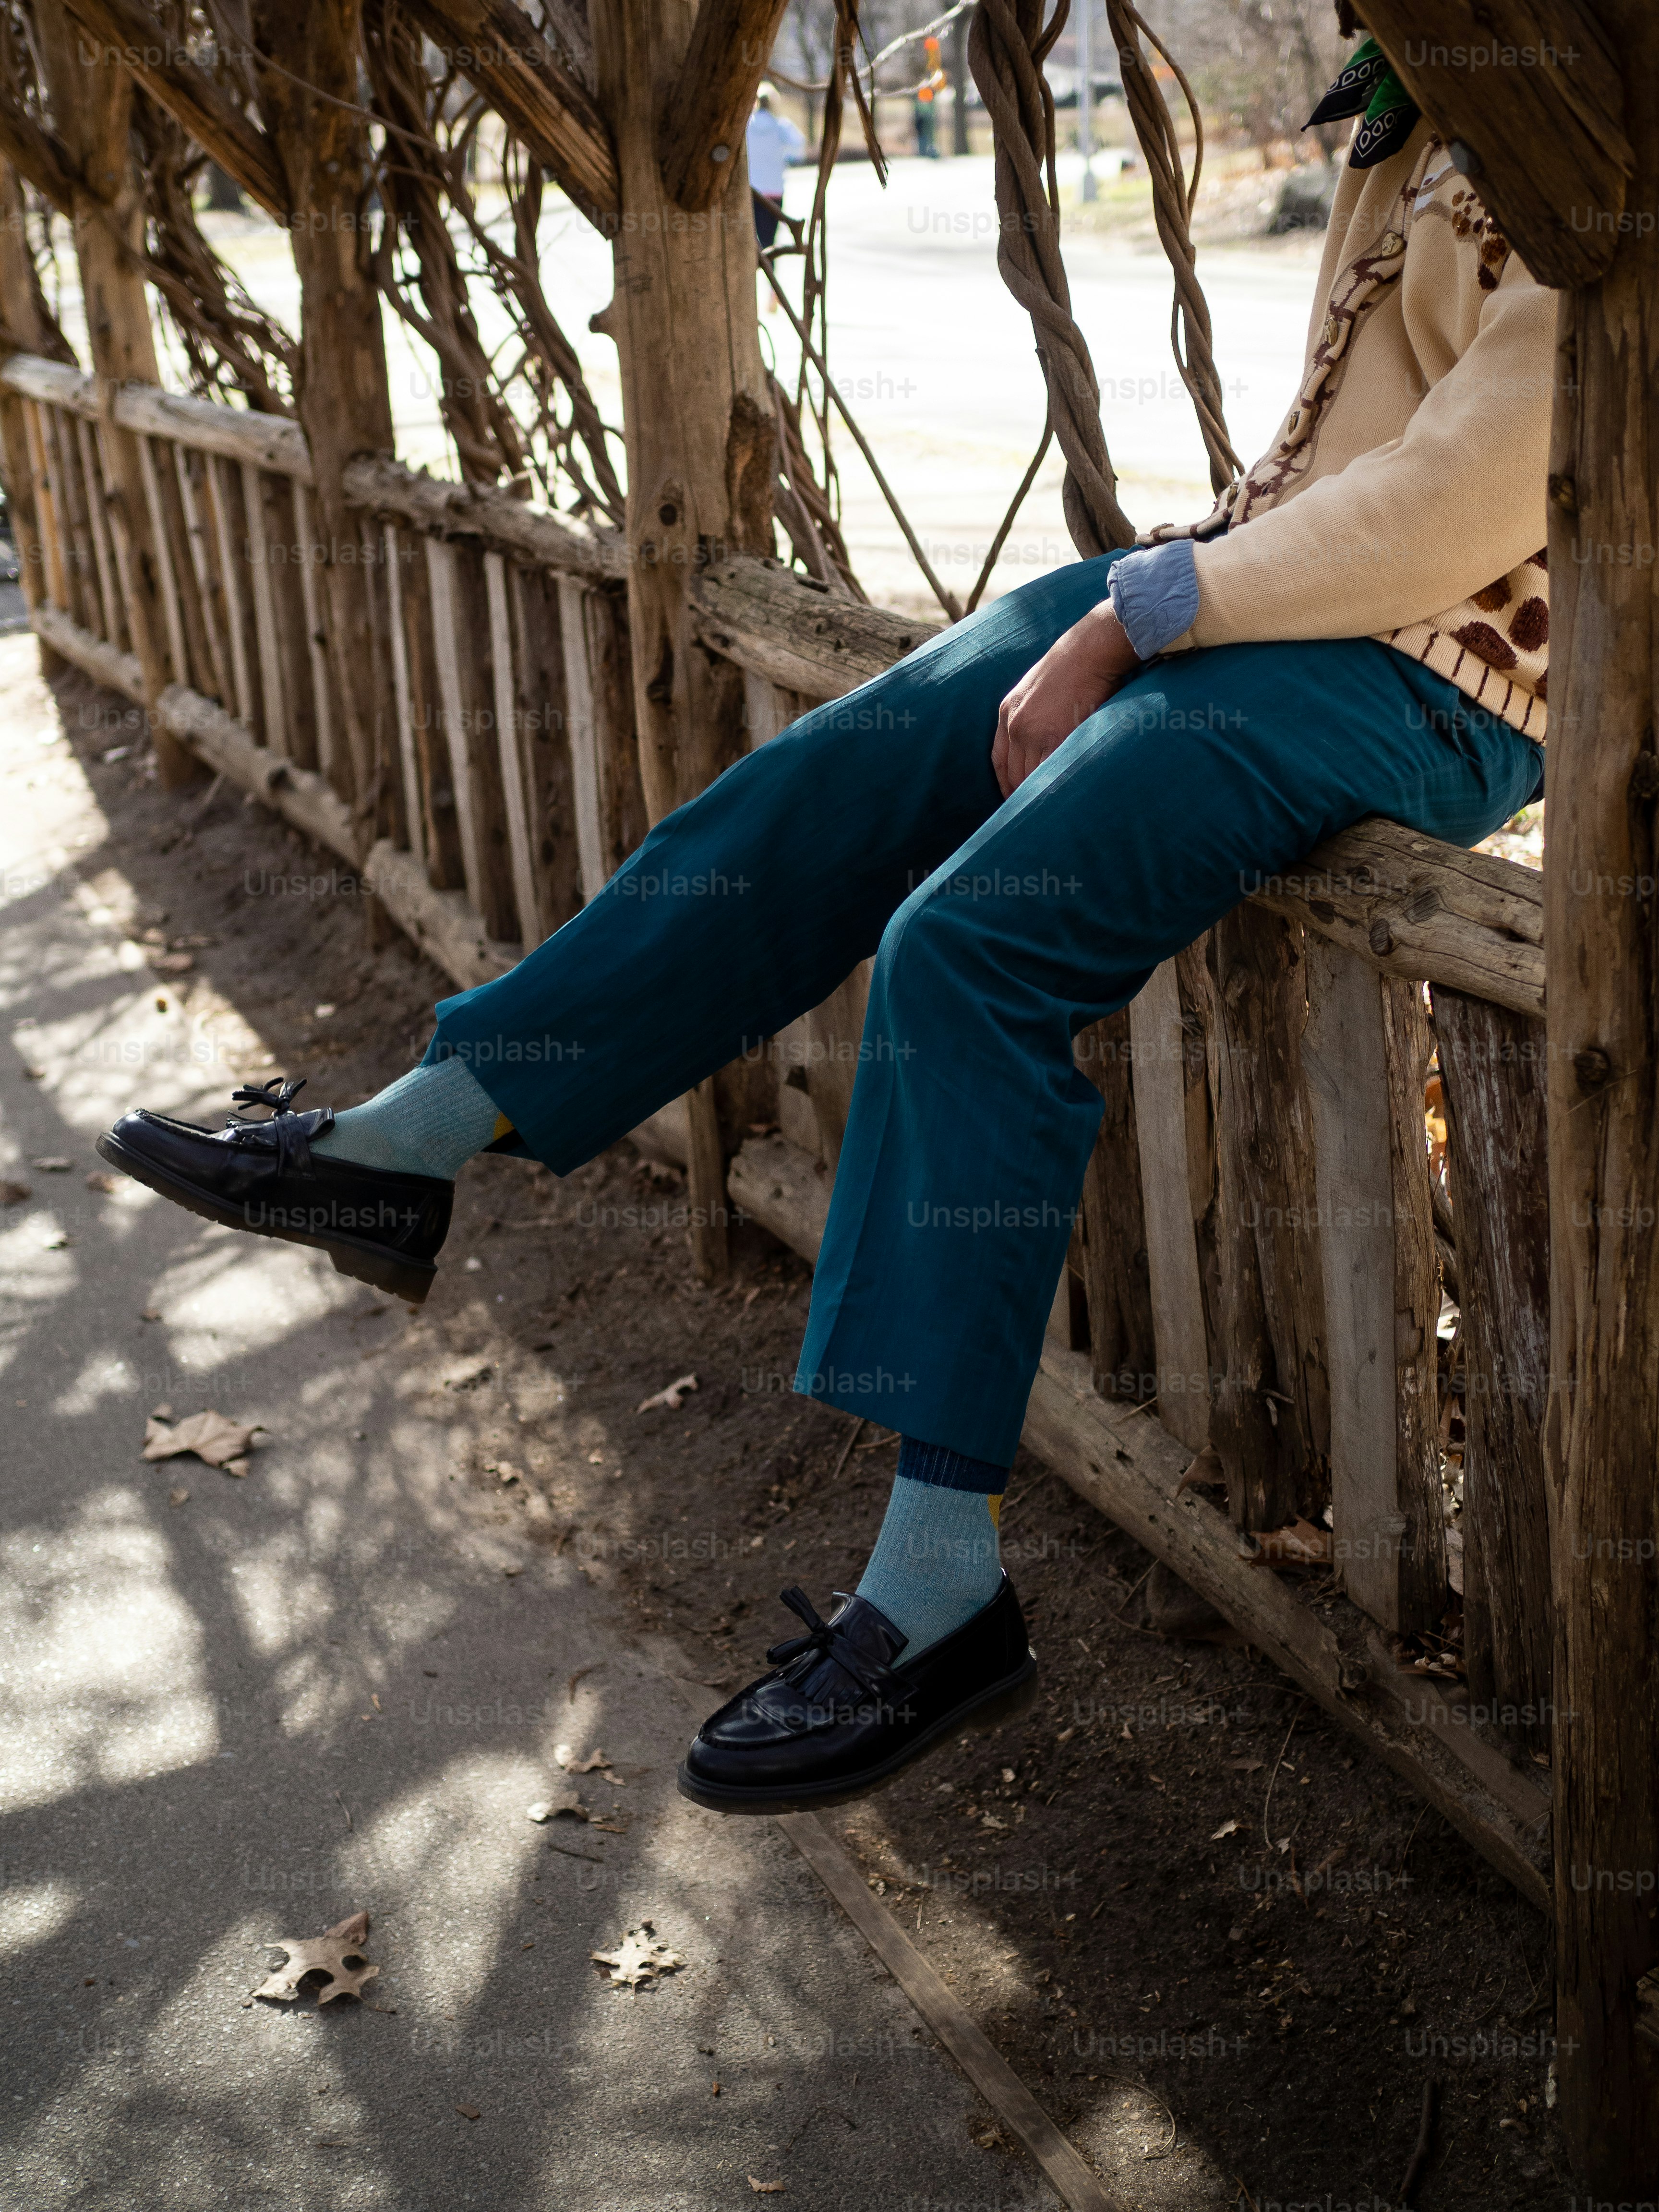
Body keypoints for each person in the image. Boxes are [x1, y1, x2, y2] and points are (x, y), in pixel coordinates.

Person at [100, 61, 1550, 1820]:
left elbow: (1478, 487)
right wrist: (1168, 592)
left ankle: (940, 1591)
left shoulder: (1579, 100)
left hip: (1445, 674)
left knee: (971, 945)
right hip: (1274, 594)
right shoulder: (1414, 87)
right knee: (830, 779)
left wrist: (1148, 613)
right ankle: (412, 1138)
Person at [746, 81, 804, 254]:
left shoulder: (747, 126)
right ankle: (770, 265)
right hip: (774, 190)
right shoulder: (780, 126)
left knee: (753, 240)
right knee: (770, 240)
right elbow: (799, 145)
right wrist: (786, 158)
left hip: (753, 190)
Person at [913, 36, 945, 157]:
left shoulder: (928, 64)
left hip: (926, 101)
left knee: (927, 126)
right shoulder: (929, 63)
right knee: (926, 126)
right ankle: (927, 149)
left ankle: (927, 149)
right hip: (925, 101)